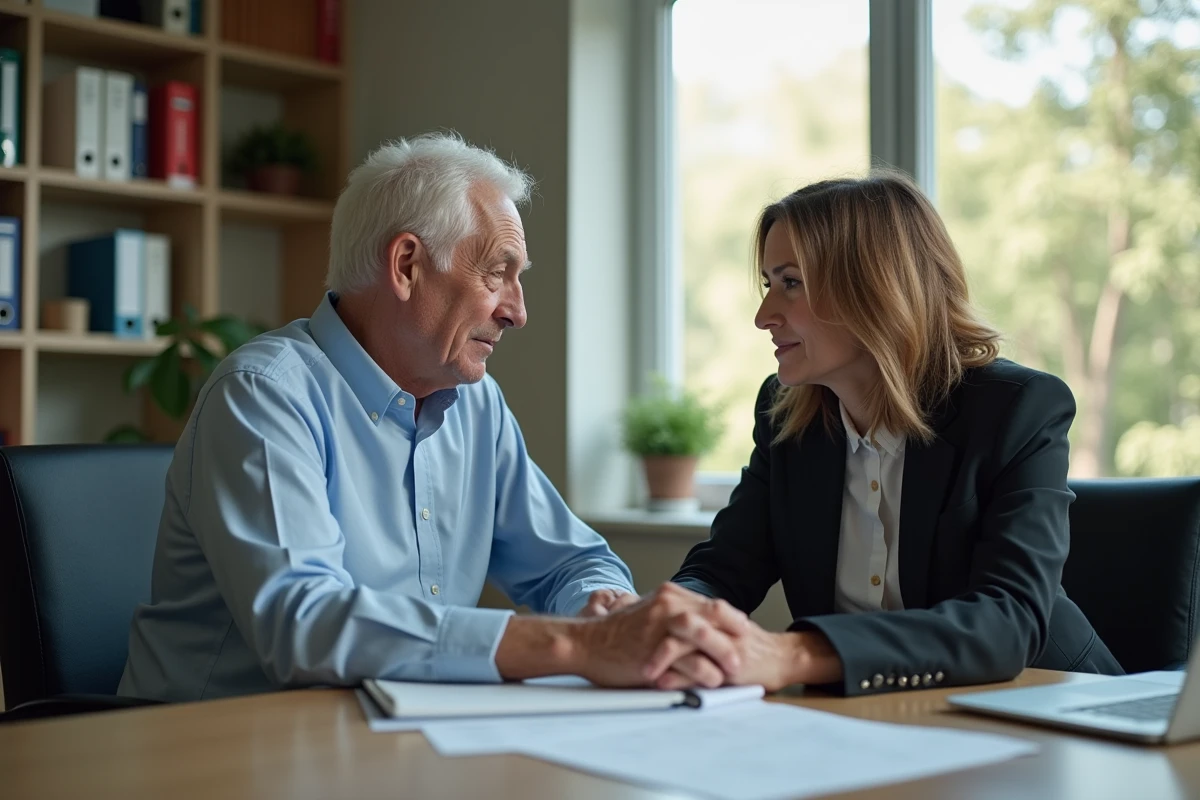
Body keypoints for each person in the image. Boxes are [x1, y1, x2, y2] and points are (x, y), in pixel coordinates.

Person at [118, 133, 744, 703]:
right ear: (407, 265)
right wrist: (573, 646)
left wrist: (603, 607)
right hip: (218, 748)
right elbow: (303, 623)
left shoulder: (477, 403)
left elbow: (570, 562)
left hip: (390, 737)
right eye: (498, 273)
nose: (517, 312)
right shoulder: (263, 394)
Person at [657, 171, 1123, 696]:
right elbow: (723, 569)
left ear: (873, 287)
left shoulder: (1017, 410)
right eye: (769, 285)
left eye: (792, 283)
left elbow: (1007, 622)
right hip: (879, 721)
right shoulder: (785, 415)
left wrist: (795, 654)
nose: (765, 315)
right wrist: (666, 622)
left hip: (1055, 711)